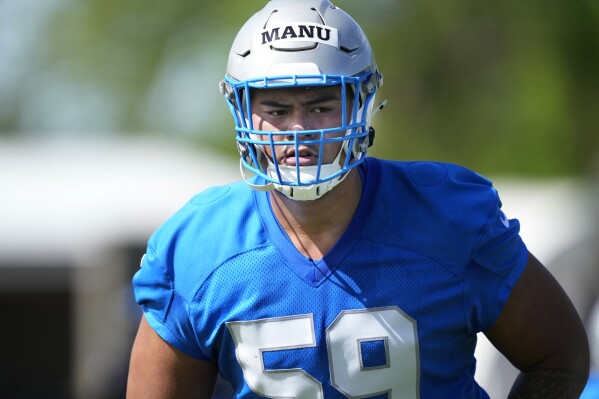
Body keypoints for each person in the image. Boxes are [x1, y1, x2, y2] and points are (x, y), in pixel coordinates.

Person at [126, 0, 590, 397]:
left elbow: (559, 354)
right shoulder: (199, 247)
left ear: (362, 103)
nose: (299, 131)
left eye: (321, 105)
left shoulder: (448, 219)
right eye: (275, 109)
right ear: (242, 110)